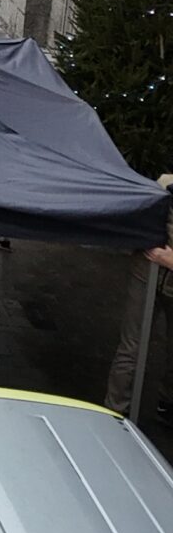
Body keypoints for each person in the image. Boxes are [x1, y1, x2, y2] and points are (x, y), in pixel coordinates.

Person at [105, 176, 173, 417]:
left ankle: (166, 403)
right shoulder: (164, 183)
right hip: (145, 274)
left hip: (161, 271)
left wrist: (168, 260)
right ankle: (115, 413)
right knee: (132, 347)